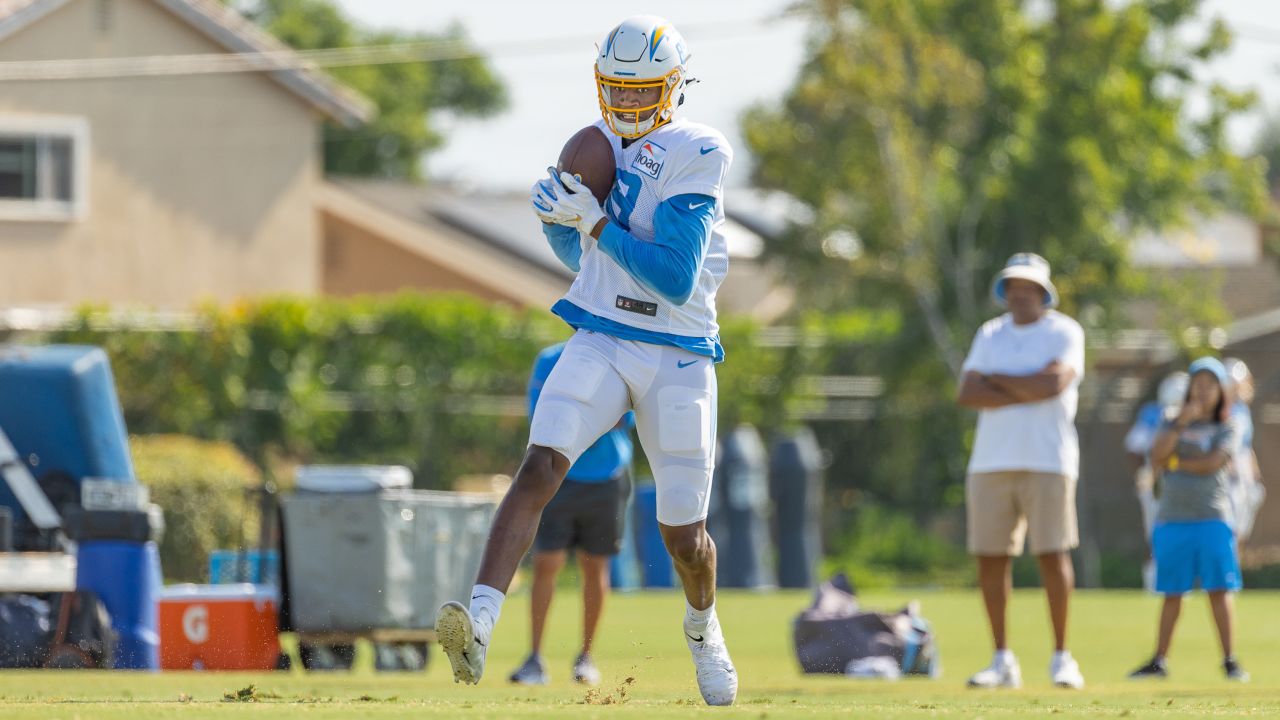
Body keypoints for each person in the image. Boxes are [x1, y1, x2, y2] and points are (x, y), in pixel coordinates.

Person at [436, 15, 739, 706]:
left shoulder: (698, 149)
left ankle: (702, 626)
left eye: (643, 91)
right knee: (540, 463)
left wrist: (596, 221)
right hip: (602, 334)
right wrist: (561, 224)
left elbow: (673, 277)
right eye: (618, 90)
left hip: (679, 353)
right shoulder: (596, 145)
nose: (628, 105)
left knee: (684, 535)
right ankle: (480, 622)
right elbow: (585, 264)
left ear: (674, 87)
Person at [956, 253, 1087, 690]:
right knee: (991, 560)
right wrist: (1027, 386)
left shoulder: (1065, 331)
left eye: (1028, 287)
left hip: (1049, 460)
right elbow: (968, 392)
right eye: (1014, 286)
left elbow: (1054, 385)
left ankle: (1062, 657)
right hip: (991, 462)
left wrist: (998, 381)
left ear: (1043, 292)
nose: (1020, 294)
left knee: (1052, 555)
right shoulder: (990, 333)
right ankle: (1001, 660)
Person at [507, 343, 634, 686]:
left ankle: (586, 657)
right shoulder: (550, 359)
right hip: (558, 476)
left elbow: (624, 419)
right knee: (547, 564)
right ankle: (534, 659)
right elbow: (542, 415)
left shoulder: (624, 359)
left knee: (596, 567)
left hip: (607, 477)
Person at [1128, 357, 1249, 682]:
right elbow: (1156, 457)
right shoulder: (1171, 418)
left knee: (1219, 589)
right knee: (1171, 592)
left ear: (1221, 390)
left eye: (1211, 384)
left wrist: (1176, 462)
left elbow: (1214, 462)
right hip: (1173, 519)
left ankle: (1230, 661)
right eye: (1199, 383)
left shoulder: (1229, 423)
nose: (1204, 390)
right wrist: (1182, 422)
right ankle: (1159, 661)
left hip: (1213, 517)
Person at [1125, 372, 1190, 590]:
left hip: (1185, 482)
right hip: (1156, 481)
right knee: (1155, 532)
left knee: (1181, 532)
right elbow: (1135, 448)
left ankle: (1179, 582)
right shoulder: (1152, 415)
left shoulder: (1196, 417)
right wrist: (1143, 475)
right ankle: (1153, 582)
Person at [1223, 358, 1265, 554]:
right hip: (1228, 475)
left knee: (1241, 530)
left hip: (1243, 474)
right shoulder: (1222, 412)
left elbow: (1246, 447)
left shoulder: (1242, 410)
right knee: (1229, 528)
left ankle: (1233, 577)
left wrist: (1255, 475)